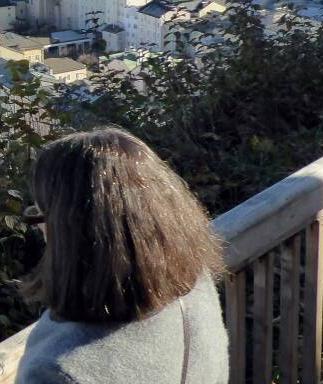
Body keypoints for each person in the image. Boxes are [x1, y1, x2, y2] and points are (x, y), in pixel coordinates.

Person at [16, 128, 227, 384]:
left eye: (40, 214)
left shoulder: (57, 371)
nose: (39, 229)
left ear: (68, 228)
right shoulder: (194, 284)